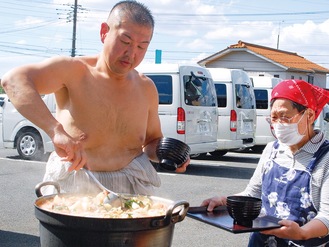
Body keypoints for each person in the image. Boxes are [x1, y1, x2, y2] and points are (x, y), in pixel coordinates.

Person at [1, 0, 189, 195]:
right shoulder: (74, 71)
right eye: (125, 41)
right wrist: (55, 130)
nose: (132, 53)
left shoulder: (146, 87)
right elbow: (13, 80)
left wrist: (169, 153)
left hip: (132, 186)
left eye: (142, 47)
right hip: (76, 184)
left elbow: (151, 141)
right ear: (104, 32)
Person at [201, 79, 329, 246]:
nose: (278, 125)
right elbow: (253, 194)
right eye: (274, 118)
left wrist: (302, 233)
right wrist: (225, 201)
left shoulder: (325, 157)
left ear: (310, 115)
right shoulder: (271, 149)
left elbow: (327, 216)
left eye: (284, 117)